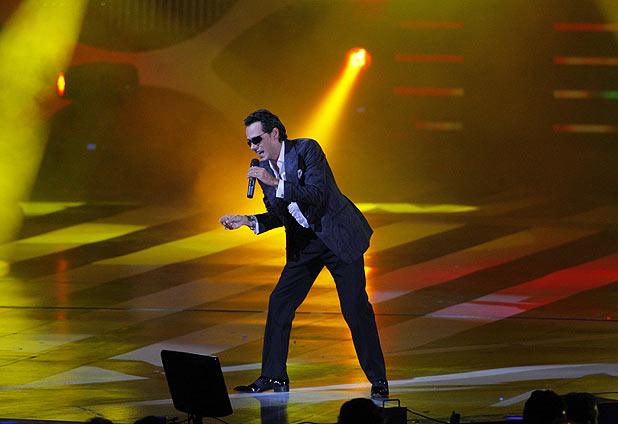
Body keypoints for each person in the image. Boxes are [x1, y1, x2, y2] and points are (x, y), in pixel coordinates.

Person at [219, 109, 388, 398]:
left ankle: (378, 380)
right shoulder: (265, 170)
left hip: (336, 236)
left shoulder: (307, 150)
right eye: (248, 142)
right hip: (305, 243)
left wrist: (275, 183)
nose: (253, 147)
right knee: (280, 302)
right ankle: (274, 376)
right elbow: (279, 214)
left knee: (355, 308)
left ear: (274, 133)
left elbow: (317, 194)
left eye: (257, 139)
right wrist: (249, 220)